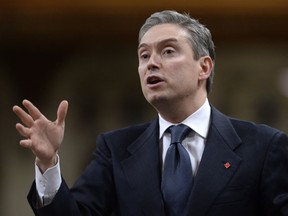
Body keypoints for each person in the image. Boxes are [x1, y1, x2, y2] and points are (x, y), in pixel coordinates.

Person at [13, 10, 288, 216]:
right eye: (144, 56)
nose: (151, 63)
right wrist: (48, 163)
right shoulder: (116, 149)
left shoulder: (263, 146)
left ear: (204, 67)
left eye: (168, 51)